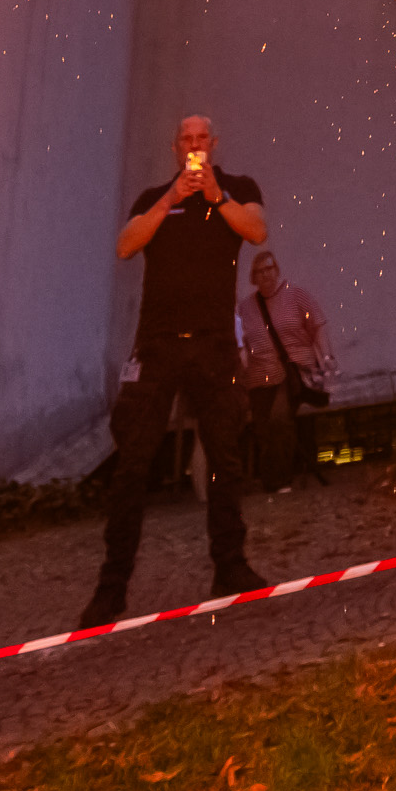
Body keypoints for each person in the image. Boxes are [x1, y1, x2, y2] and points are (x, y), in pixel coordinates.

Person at [91, 113, 269, 621]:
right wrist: (172, 198)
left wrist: (217, 197)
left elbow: (256, 231)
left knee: (225, 460)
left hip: (214, 345)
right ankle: (111, 586)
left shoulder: (237, 188)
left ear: (214, 143)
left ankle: (230, 565)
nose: (194, 146)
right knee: (132, 466)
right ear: (176, 147)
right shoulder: (154, 197)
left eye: (202, 138)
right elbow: (126, 244)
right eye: (186, 139)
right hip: (158, 345)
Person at [240, 248, 337, 495]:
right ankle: (271, 480)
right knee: (263, 428)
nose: (266, 275)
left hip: (292, 372)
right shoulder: (246, 308)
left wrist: (325, 357)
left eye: (270, 269)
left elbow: (318, 325)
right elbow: (242, 344)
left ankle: (279, 481)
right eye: (260, 272)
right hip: (258, 377)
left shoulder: (296, 296)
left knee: (278, 419)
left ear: (277, 269)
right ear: (253, 277)